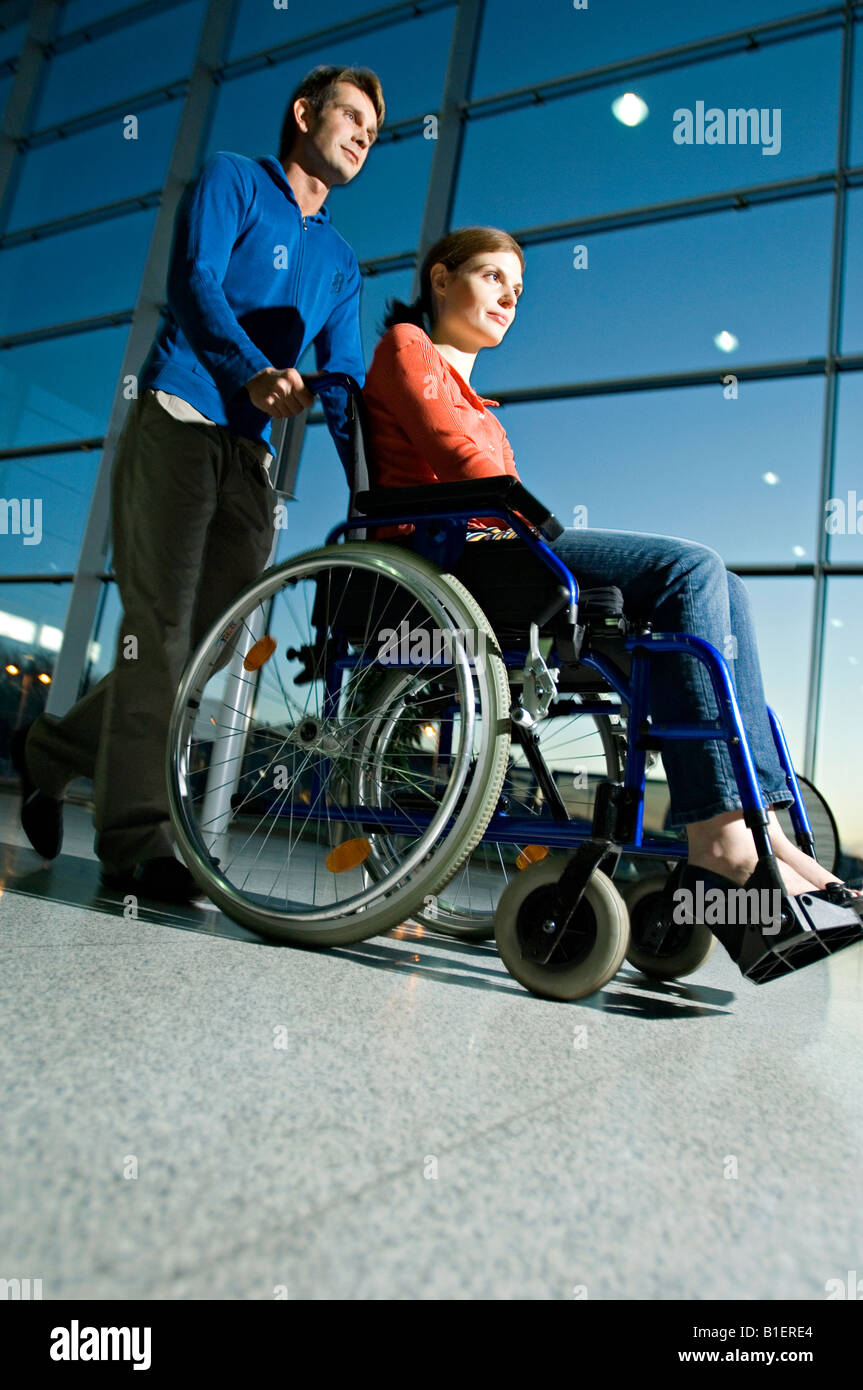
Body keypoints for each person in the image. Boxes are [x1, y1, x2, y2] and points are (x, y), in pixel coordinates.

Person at [361, 225, 862, 971]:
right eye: (493, 277)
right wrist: (533, 519)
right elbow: (450, 454)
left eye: (518, 290)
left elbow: (479, 464)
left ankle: (763, 830)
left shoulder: (480, 400)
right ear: (440, 279)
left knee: (721, 588)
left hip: (498, 551)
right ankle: (719, 840)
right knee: (691, 569)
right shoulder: (406, 348)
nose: (509, 297)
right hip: (459, 562)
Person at [11, 65, 385, 903]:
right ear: (303, 113)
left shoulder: (340, 260)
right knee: (159, 627)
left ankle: (52, 752)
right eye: (352, 116)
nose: (365, 134)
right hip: (180, 415)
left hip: (249, 461)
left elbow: (345, 379)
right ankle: (136, 839)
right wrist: (251, 370)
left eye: (374, 128)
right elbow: (193, 282)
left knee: (203, 649)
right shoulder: (232, 178)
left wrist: (375, 489)